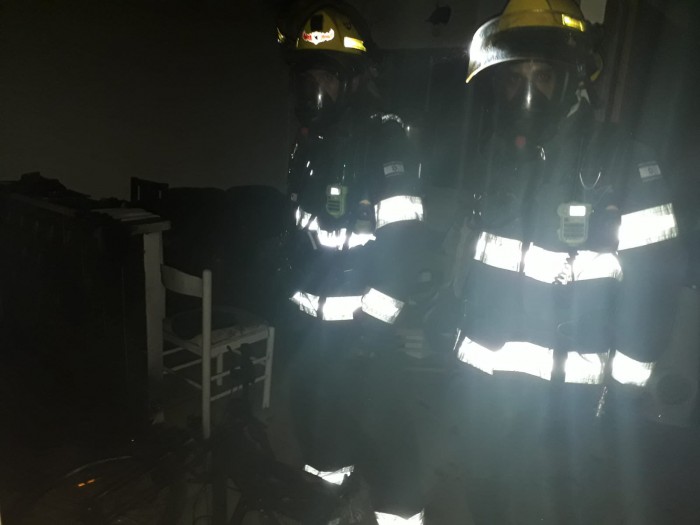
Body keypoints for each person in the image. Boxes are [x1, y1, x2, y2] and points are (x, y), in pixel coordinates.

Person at [436, 0, 687, 522]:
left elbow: (654, 291)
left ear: (574, 79)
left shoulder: (621, 162)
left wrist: (621, 399)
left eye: (543, 76)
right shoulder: (493, 158)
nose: (525, 93)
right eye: (513, 79)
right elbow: (470, 263)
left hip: (565, 408)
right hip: (483, 396)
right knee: (485, 505)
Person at [277, 3, 426, 523]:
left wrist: (372, 333)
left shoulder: (385, 142)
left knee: (388, 450)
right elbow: (304, 236)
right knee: (319, 433)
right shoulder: (310, 147)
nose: (313, 91)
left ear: (357, 79)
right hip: (313, 333)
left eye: (326, 78)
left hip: (365, 340)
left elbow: (403, 250)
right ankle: (326, 504)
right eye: (306, 79)